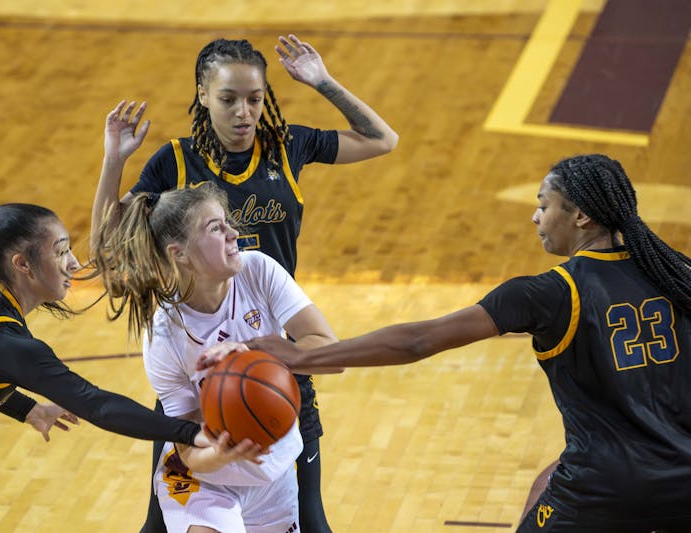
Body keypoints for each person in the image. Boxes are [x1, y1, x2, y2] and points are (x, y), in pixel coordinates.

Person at [206, 154, 691, 532]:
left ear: (580, 215)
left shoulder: (549, 292)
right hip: (681, 480)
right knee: (550, 474)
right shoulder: (677, 274)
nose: (535, 216)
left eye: (545, 205)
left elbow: (419, 340)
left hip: (605, 489)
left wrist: (303, 354)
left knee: (568, 475)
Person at [91, 34, 398, 533]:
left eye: (255, 99)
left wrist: (324, 83)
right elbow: (108, 249)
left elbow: (384, 140)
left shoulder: (285, 150)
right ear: (203, 94)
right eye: (229, 99)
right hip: (199, 384)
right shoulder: (174, 163)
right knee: (164, 512)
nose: (244, 113)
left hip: (276, 358)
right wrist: (114, 160)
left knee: (312, 521)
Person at [0, 203, 262, 532]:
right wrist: (190, 432)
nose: (74, 263)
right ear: (22, 264)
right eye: (61, 252)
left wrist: (27, 409)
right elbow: (95, 404)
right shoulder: (3, 340)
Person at [93, 170, 342, 531]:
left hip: (271, 472)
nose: (233, 234)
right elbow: (188, 451)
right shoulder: (163, 334)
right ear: (179, 254)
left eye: (227, 223)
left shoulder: (259, 271)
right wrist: (218, 454)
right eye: (215, 228)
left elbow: (331, 353)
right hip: (200, 479)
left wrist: (257, 355)